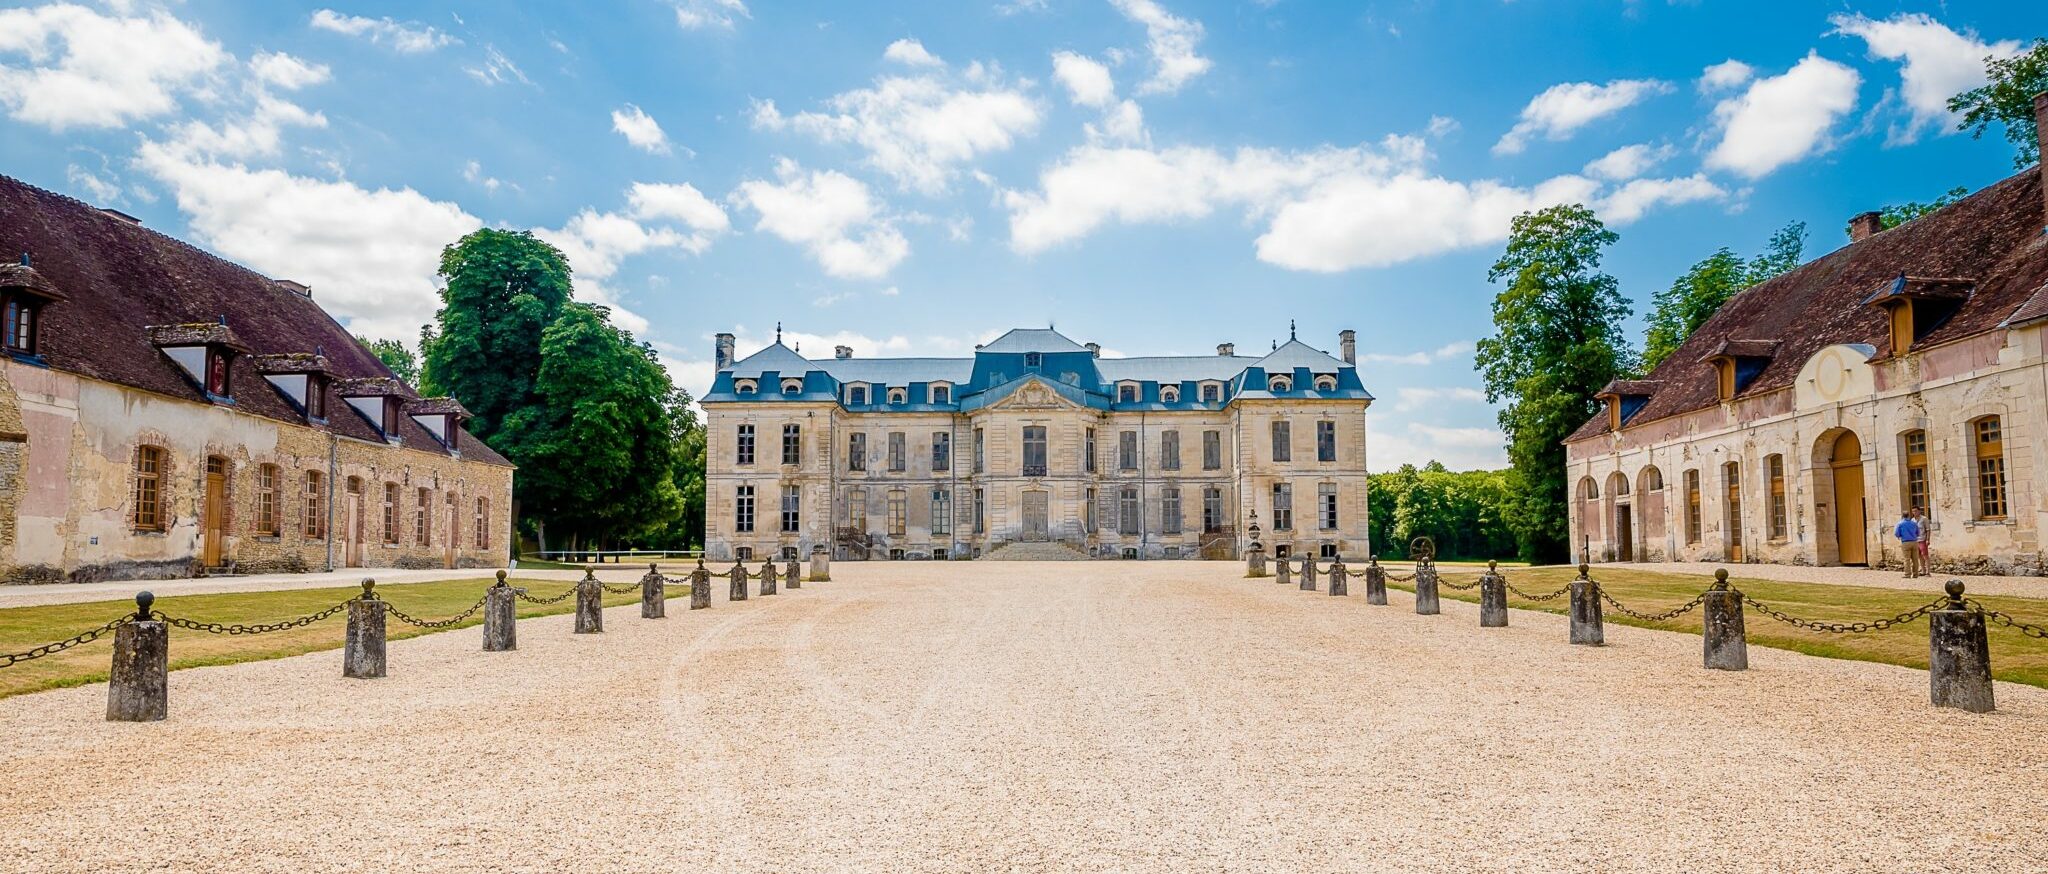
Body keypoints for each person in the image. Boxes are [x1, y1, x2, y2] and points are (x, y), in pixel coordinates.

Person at [1894, 510, 1923, 578]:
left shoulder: (1900, 524)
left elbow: (1896, 533)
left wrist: (1900, 536)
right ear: (1908, 515)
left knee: (1906, 559)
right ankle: (1916, 574)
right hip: (1914, 542)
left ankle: (1907, 574)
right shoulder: (1914, 523)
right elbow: (1918, 533)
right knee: (1915, 559)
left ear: (1902, 516)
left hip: (1905, 542)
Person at [1913, 507, 1932, 577]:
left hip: (1923, 539)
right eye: (1913, 511)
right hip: (1916, 540)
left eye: (1915, 511)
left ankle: (1928, 572)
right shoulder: (1912, 520)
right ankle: (1923, 570)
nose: (1914, 513)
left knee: (1925, 556)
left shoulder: (1924, 519)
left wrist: (1927, 539)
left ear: (1919, 511)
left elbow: (1928, 530)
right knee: (1919, 556)